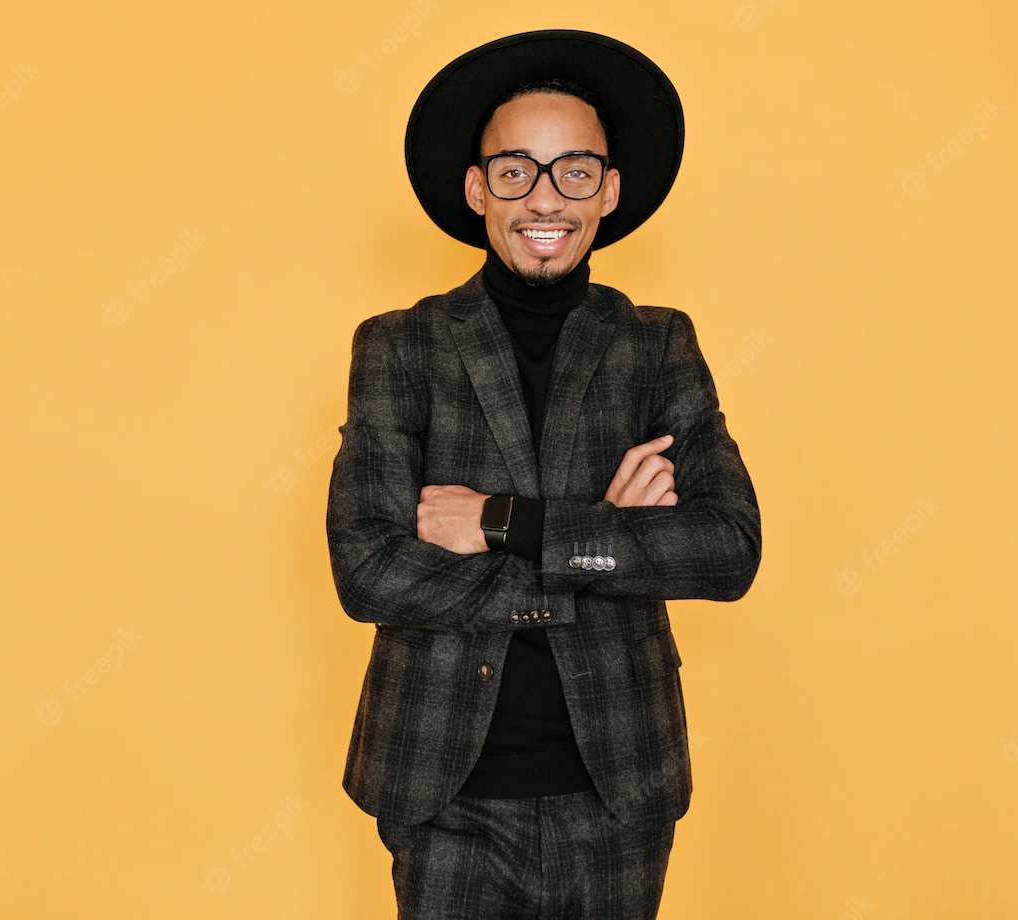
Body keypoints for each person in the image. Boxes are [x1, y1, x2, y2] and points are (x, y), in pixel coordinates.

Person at [326, 29, 762, 919]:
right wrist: (605, 538)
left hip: (619, 789)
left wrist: (501, 520)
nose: (545, 197)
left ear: (608, 191)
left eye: (575, 170)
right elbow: (368, 570)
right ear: (478, 188)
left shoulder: (657, 345)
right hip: (442, 789)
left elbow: (725, 551)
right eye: (517, 168)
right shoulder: (399, 345)